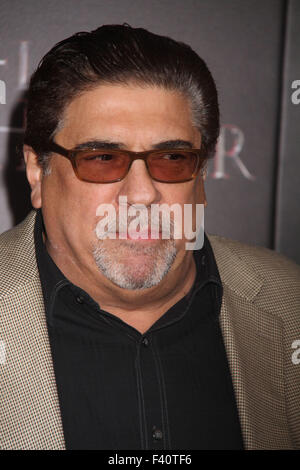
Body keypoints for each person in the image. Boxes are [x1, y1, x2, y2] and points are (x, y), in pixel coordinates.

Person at [0, 24, 299, 451]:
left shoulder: (289, 299)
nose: (141, 194)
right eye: (103, 158)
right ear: (37, 171)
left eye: (172, 158)